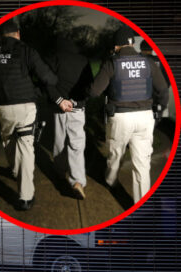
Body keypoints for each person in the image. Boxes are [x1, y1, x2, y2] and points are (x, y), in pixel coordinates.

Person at [0, 19, 72, 210]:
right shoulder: (26, 50)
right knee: (26, 147)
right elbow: (48, 77)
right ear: (18, 33)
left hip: (3, 109)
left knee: (8, 142)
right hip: (26, 108)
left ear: (1, 35)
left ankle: (15, 170)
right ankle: (25, 197)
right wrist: (49, 81)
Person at [89, 26, 169, 203]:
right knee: (142, 164)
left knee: (115, 153)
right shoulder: (148, 62)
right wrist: (159, 111)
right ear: (132, 43)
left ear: (116, 46)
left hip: (120, 117)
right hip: (145, 117)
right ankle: (141, 203)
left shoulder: (112, 62)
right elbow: (163, 89)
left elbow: (94, 91)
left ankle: (111, 180)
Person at [46, 37, 93, 200]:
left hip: (59, 108)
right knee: (76, 145)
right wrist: (75, 101)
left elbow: (47, 82)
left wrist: (60, 100)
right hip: (77, 107)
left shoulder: (54, 59)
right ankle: (77, 182)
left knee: (60, 141)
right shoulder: (83, 60)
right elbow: (90, 86)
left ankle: (60, 171)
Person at [140, 39, 170, 121]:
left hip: (141, 99)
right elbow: (167, 81)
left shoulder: (137, 60)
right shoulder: (161, 61)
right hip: (157, 98)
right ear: (152, 49)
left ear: (141, 49)